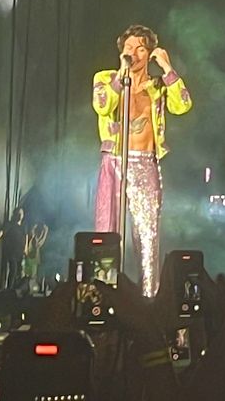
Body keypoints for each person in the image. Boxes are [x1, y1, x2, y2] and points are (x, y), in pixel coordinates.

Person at [92, 23, 192, 297]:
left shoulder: (158, 87)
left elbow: (183, 105)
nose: (133, 54)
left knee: (147, 237)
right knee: (106, 232)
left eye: (140, 49)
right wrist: (121, 74)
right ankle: (102, 295)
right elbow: (102, 105)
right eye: (128, 48)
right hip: (114, 162)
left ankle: (149, 301)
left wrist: (168, 69)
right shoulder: (105, 78)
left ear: (149, 54)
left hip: (145, 163)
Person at [0, 206, 26, 292]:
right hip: (11, 251)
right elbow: (2, 231)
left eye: (21, 214)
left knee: (17, 271)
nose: (19, 215)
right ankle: (9, 289)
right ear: (15, 214)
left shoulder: (23, 227)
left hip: (19, 252)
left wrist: (26, 248)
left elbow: (26, 236)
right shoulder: (10, 224)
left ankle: (13, 288)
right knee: (13, 269)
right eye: (18, 213)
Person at [22, 223, 48, 294]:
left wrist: (43, 233)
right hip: (32, 260)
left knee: (30, 276)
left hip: (31, 259)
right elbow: (41, 242)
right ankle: (28, 290)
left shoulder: (32, 239)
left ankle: (28, 290)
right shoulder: (33, 240)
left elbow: (39, 240)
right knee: (31, 277)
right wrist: (45, 232)